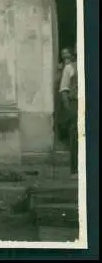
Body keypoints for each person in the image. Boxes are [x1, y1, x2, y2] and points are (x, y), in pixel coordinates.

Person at [58, 47, 78, 179]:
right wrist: (69, 109)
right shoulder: (69, 68)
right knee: (75, 135)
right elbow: (64, 89)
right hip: (75, 104)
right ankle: (75, 170)